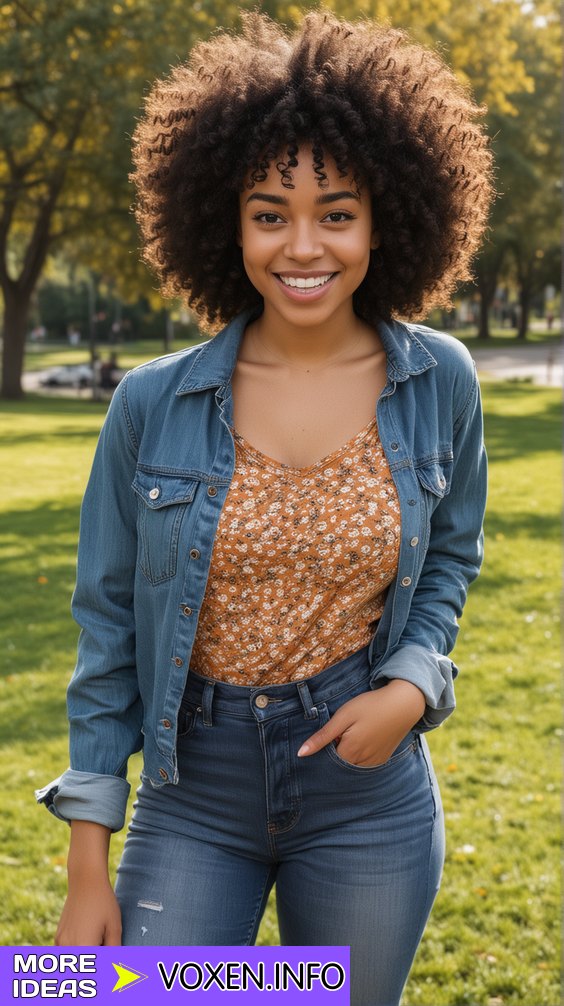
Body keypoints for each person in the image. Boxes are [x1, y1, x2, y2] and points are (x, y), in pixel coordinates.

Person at [36, 11, 491, 1004]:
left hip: (368, 789)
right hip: (194, 789)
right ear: (224, 220)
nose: (303, 245)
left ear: (388, 218)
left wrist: (414, 685)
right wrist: (86, 867)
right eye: (268, 211)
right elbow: (107, 633)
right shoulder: (150, 404)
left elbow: (451, 560)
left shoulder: (439, 381)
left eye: (337, 211)